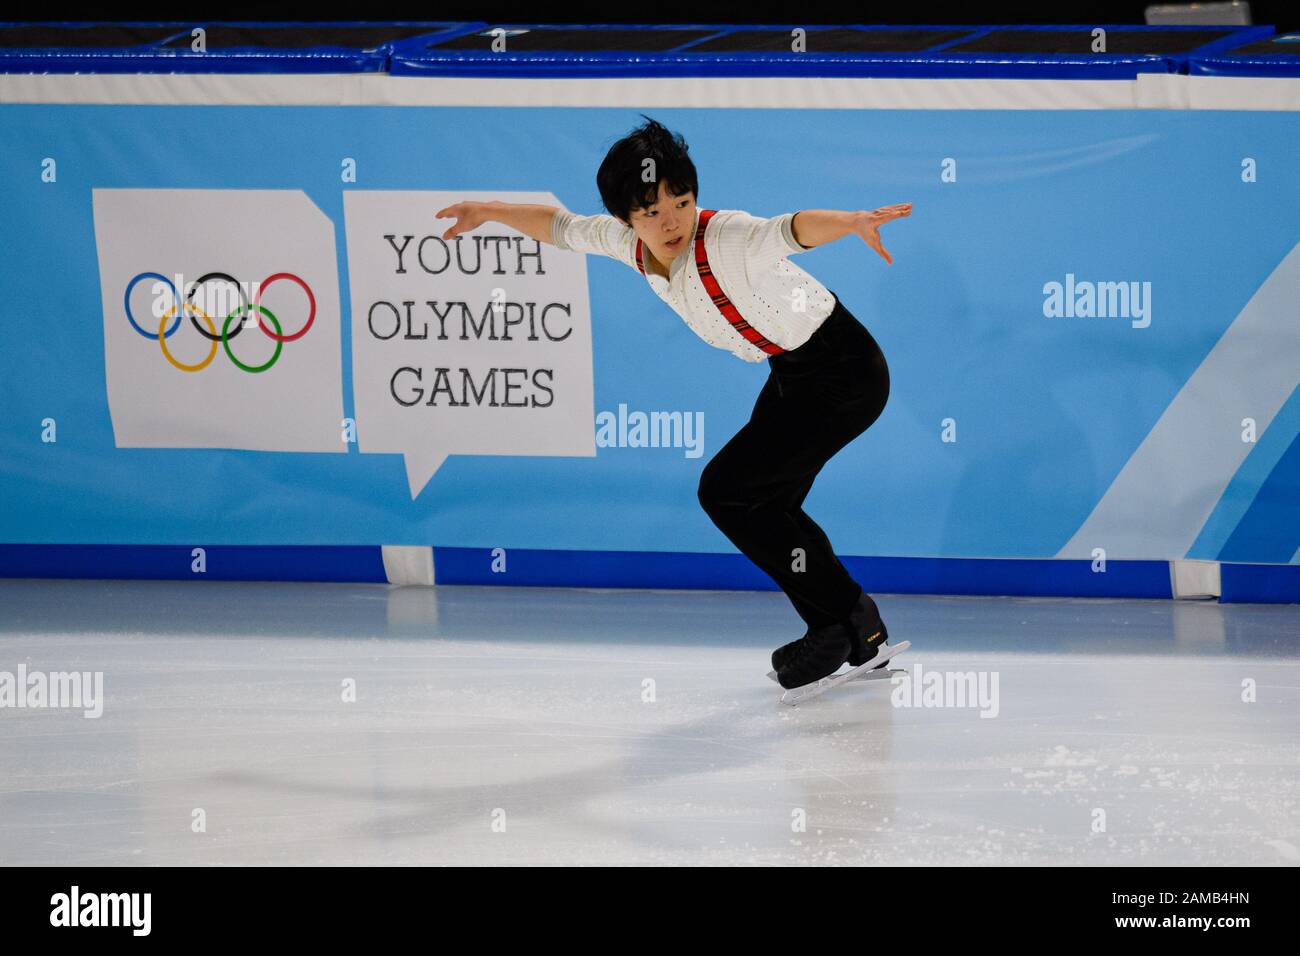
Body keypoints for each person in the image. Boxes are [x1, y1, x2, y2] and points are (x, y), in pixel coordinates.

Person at [436, 116, 911, 690]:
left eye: (681, 202)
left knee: (730, 493)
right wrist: (490, 209)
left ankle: (851, 623)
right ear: (627, 220)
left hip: (844, 372)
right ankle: (844, 631)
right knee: (766, 505)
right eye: (652, 212)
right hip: (794, 370)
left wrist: (852, 222)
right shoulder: (625, 243)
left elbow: (790, 230)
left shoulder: (727, 236)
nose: (672, 221)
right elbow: (561, 227)